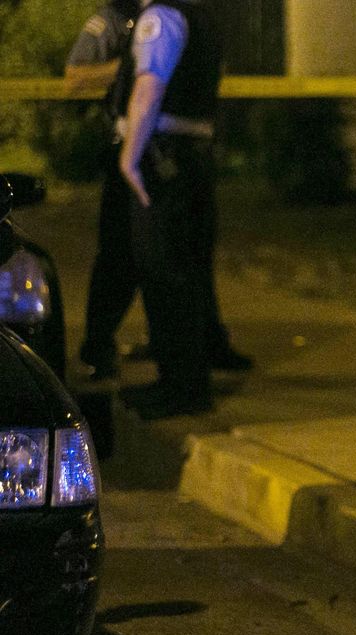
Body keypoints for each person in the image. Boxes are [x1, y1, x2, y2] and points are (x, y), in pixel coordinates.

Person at [114, 0, 238, 419]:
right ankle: (184, 382)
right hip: (192, 155)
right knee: (187, 273)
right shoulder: (201, 15)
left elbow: (149, 89)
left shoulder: (161, 18)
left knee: (163, 272)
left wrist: (130, 157)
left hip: (164, 156)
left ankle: (180, 389)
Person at [66, 0, 139, 380]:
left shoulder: (163, 16)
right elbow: (75, 75)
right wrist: (129, 65)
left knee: (173, 254)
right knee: (119, 254)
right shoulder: (109, 22)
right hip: (125, 149)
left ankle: (187, 342)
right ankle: (97, 345)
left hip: (160, 147)